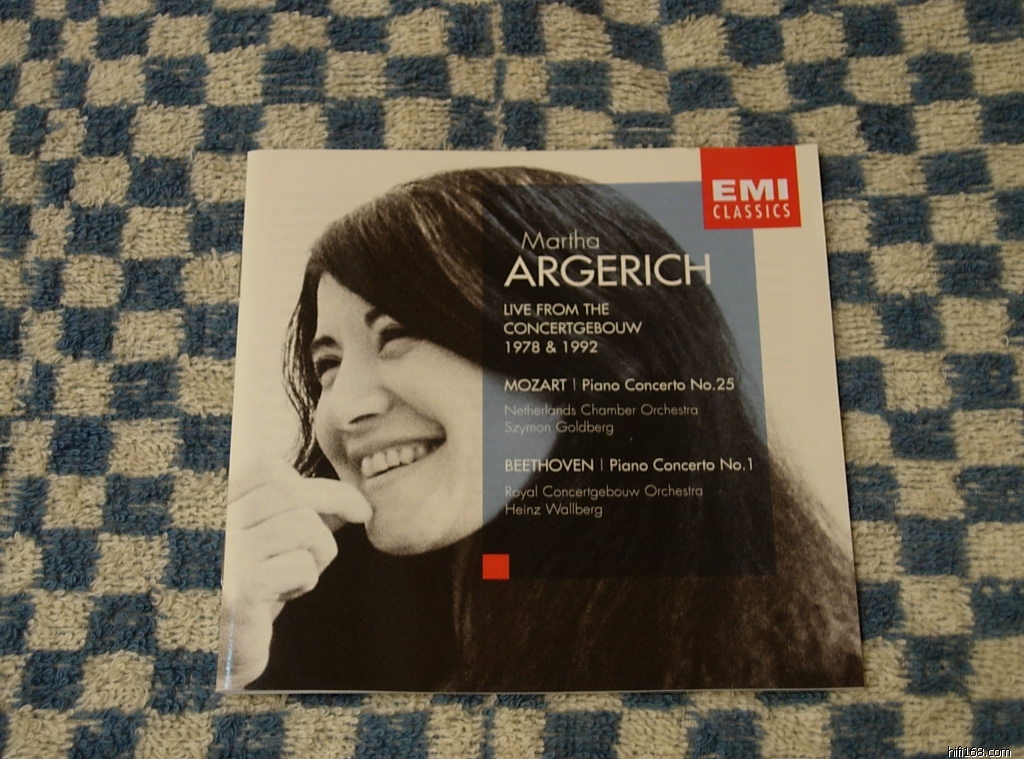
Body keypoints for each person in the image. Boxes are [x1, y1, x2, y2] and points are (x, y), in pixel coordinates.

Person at [220, 166, 863, 692]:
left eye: (397, 335)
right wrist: (230, 661)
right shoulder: (298, 621)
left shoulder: (799, 671)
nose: (342, 410)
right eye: (327, 366)